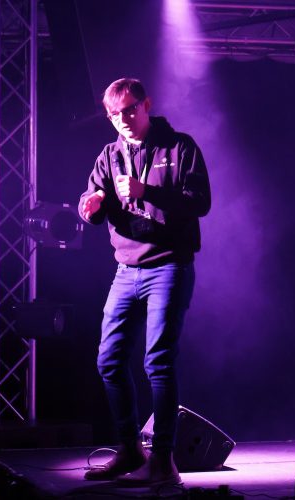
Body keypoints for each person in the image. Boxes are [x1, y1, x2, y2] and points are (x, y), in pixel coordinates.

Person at [78, 78, 211, 485]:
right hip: (126, 270)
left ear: (147, 104)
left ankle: (163, 461)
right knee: (109, 361)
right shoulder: (108, 155)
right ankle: (130, 450)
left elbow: (200, 203)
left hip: (168, 266)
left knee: (158, 362)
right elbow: (95, 206)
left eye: (131, 110)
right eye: (115, 115)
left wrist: (146, 191)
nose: (124, 120)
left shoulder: (180, 147)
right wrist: (91, 206)